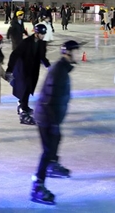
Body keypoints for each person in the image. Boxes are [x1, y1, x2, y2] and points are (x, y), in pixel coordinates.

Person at [30, 40, 80, 205]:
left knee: (56, 140)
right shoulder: (58, 71)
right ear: (67, 53)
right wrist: (53, 123)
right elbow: (48, 99)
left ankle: (52, 165)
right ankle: (37, 186)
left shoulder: (62, 69)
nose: (78, 55)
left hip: (50, 117)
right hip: (46, 117)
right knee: (47, 150)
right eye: (75, 51)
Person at [7, 23, 50, 125]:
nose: (43, 36)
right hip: (22, 69)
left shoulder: (41, 44)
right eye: (41, 34)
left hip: (32, 70)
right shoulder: (26, 43)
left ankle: (24, 106)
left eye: (44, 34)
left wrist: (49, 67)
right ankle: (23, 113)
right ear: (36, 33)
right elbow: (14, 55)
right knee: (24, 89)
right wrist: (9, 70)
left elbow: (42, 57)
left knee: (28, 88)